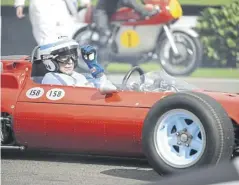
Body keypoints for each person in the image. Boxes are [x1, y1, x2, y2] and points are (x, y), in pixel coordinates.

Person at [39, 38, 117, 94]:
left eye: (73, 56)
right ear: (49, 61)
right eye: (64, 57)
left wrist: (96, 71)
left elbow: (106, 86)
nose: (70, 62)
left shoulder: (77, 75)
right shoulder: (51, 77)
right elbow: (74, 93)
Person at [14, 0, 91, 45]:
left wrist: (86, 2)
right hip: (40, 5)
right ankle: (49, 64)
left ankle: (65, 62)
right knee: (45, 36)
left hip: (59, 4)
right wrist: (19, 4)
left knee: (66, 32)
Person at [93, 0, 160, 46]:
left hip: (114, 10)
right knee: (106, 35)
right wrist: (145, 11)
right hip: (102, 11)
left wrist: (146, 4)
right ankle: (100, 54)